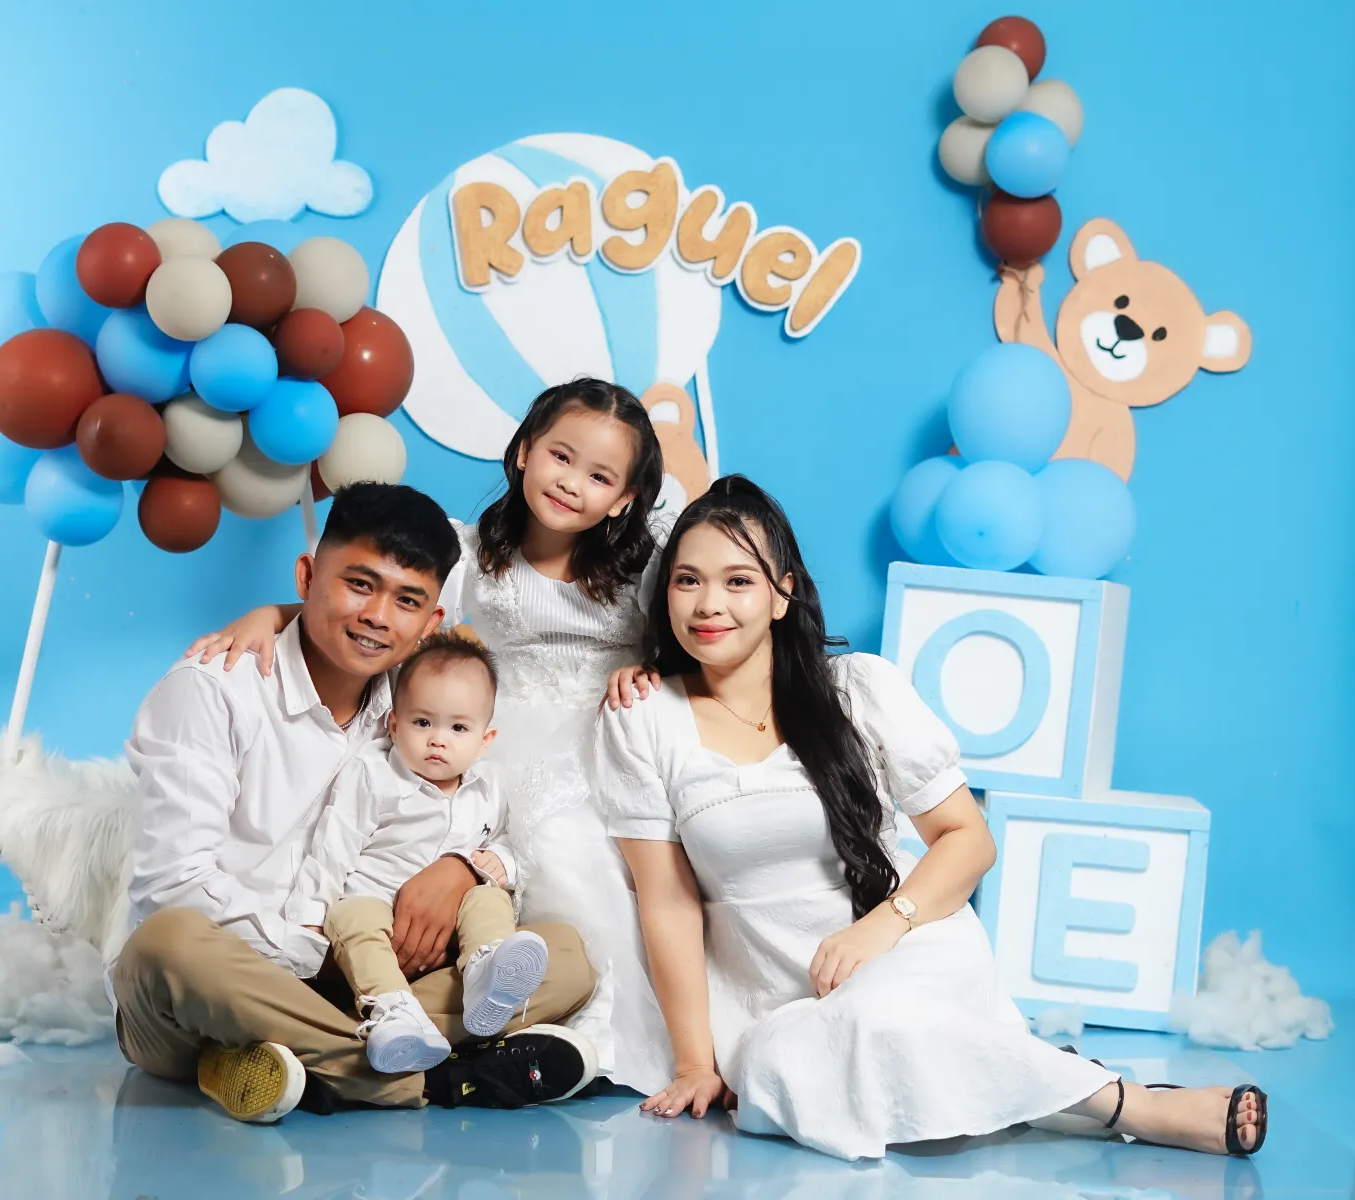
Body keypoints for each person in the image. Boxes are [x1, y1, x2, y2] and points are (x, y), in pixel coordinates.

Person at [596, 475, 1268, 1161]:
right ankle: (1034, 1074)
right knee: (774, 1068)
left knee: (876, 1016)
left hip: (907, 943)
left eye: (738, 581)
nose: (709, 604)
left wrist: (880, 929)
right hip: (772, 999)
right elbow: (668, 901)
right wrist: (694, 1061)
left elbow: (968, 840)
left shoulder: (858, 689)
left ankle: (1134, 1104)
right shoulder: (642, 717)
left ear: (782, 593)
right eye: (687, 581)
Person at [189, 378, 675, 1091]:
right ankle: (410, 1023)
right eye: (560, 457)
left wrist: (647, 668)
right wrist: (274, 613)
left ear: (627, 498)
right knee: (454, 835)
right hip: (485, 738)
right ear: (523, 451)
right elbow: (382, 612)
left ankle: (570, 1030)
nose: (572, 483)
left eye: (600, 477)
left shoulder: (645, 568)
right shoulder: (472, 554)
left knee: (581, 854)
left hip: (600, 742)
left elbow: (690, 635)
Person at [113, 482, 598, 1125]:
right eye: (359, 584)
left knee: (565, 956)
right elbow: (171, 886)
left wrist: (461, 870)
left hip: (367, 976)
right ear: (307, 576)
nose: (377, 616)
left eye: (407, 601)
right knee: (166, 944)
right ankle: (437, 1080)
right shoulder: (213, 692)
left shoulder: (418, 698)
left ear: (429, 624)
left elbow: (481, 801)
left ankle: (299, 1059)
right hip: (234, 976)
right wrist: (309, 955)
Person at [283, 633, 565, 1081]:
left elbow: (508, 841)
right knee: (352, 916)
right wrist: (309, 922)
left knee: (489, 897)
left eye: (458, 729)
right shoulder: (373, 773)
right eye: (422, 723)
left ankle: (486, 969)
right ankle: (393, 1010)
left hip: (449, 933)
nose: (438, 740)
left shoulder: (489, 787)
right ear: (394, 725)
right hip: (377, 907)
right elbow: (332, 848)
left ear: (485, 739)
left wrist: (501, 862)